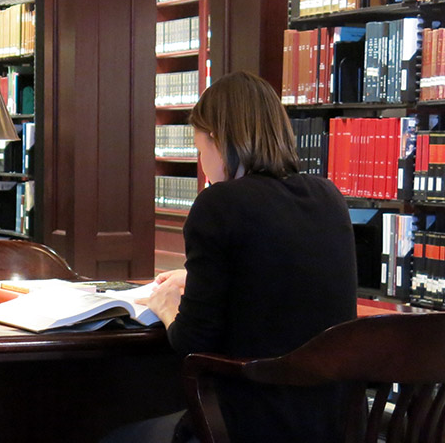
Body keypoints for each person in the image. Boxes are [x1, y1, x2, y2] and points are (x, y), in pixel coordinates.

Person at [103, 71, 358, 443]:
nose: (201, 158)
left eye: (199, 146)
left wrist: (166, 305)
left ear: (217, 139)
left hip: (246, 423)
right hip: (326, 422)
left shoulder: (219, 204)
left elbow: (193, 339)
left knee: (114, 437)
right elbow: (282, 278)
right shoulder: (327, 196)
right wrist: (199, 279)